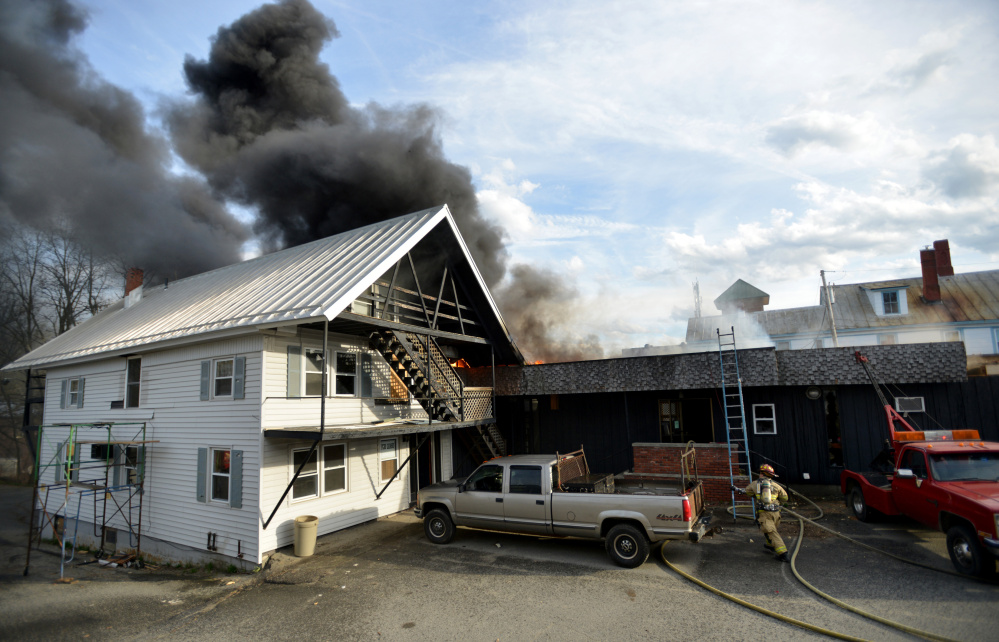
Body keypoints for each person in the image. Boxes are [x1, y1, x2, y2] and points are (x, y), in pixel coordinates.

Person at [732, 464, 790, 563]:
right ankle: (770, 545)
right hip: (776, 514)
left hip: (765, 514)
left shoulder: (755, 484)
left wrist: (738, 490)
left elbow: (748, 492)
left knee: (771, 532)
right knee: (770, 531)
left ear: (762, 474)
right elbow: (785, 498)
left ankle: (783, 554)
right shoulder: (776, 485)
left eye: (760, 473)